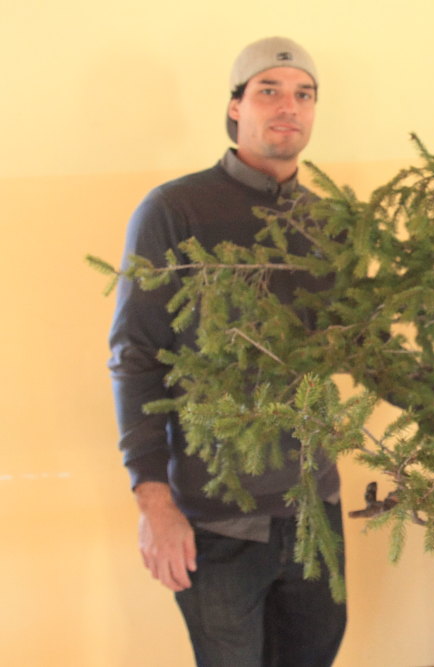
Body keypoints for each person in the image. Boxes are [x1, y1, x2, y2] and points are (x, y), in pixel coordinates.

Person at [108, 36, 346, 666]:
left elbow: (359, 346)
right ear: (236, 106)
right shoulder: (174, 211)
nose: (288, 106)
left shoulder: (330, 224)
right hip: (217, 519)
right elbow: (136, 357)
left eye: (304, 94)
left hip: (314, 508)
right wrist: (154, 502)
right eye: (269, 91)